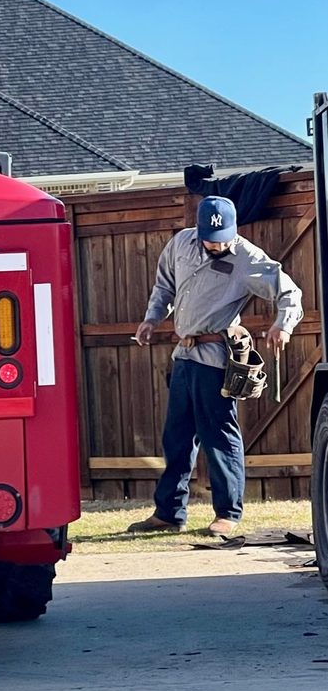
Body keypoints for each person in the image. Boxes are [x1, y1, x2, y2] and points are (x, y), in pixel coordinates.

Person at [126, 195, 303, 536]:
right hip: (184, 356)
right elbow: (164, 285)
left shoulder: (247, 257)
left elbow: (289, 292)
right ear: (199, 229)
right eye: (210, 238)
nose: (216, 245)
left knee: (219, 436)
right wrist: (151, 318)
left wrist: (284, 324)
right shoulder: (180, 243)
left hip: (216, 360)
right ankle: (169, 512)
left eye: (223, 240)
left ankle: (228, 513)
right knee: (176, 437)